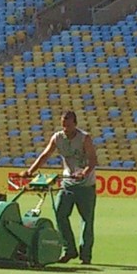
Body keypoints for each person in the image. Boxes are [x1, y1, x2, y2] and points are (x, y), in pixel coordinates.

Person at [20, 110, 98, 264]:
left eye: (68, 125)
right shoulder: (57, 138)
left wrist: (84, 172)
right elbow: (45, 155)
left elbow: (93, 160)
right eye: (63, 125)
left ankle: (86, 255)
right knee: (60, 213)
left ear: (75, 124)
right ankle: (69, 249)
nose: (66, 129)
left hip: (86, 185)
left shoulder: (84, 138)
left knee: (87, 220)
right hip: (67, 183)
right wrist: (30, 171)